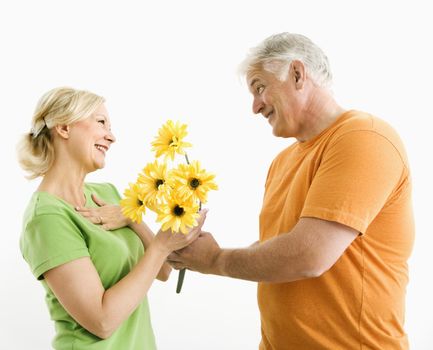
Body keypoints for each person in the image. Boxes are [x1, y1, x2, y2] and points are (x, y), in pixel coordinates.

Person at [168, 33, 414, 349]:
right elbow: (282, 247)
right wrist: (193, 251)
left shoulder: (364, 138)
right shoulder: (283, 161)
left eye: (260, 88)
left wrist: (216, 260)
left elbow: (308, 255)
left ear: (297, 74)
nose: (255, 106)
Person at [17, 87, 206, 349]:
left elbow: (162, 270)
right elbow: (102, 321)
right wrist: (163, 243)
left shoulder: (106, 194)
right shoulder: (47, 217)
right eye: (101, 122)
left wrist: (132, 219)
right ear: (63, 128)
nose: (112, 136)